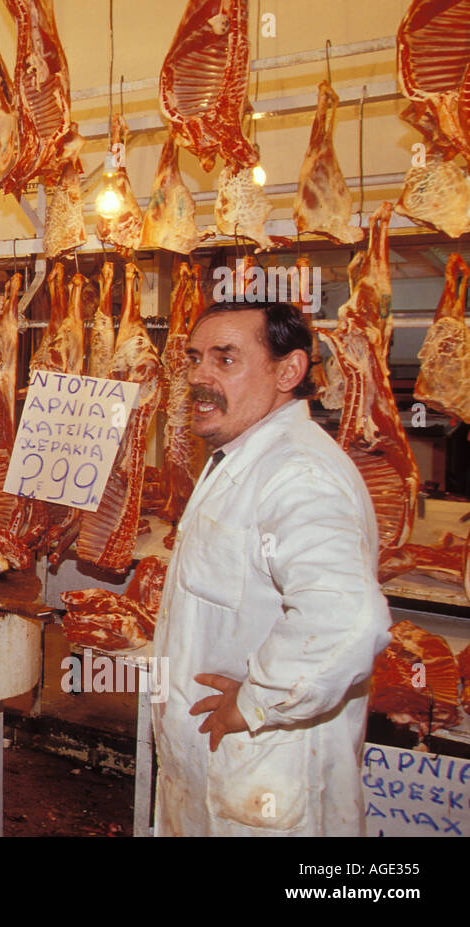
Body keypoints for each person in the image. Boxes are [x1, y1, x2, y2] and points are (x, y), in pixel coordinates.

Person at [154, 300, 391, 836]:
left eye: (226, 359)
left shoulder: (298, 472)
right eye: (194, 360)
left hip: (266, 785)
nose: (199, 378)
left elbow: (349, 620)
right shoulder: (246, 458)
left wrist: (260, 698)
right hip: (223, 774)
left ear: (289, 371)